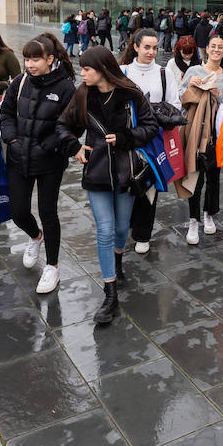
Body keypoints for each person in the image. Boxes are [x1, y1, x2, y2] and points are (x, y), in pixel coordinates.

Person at [56, 47, 161, 324]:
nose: (83, 74)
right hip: (98, 172)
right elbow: (63, 126)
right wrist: (75, 148)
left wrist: (126, 136)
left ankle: (117, 262)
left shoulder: (131, 94)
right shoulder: (82, 94)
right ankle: (110, 293)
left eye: (87, 69)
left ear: (102, 68)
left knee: (121, 228)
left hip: (127, 173)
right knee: (104, 230)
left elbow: (151, 127)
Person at [0, 34, 75, 295]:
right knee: (17, 211)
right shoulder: (19, 82)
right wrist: (12, 138)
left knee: (48, 212)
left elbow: (70, 126)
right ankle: (35, 236)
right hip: (19, 156)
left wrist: (48, 145)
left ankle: (52, 266)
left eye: (36, 59)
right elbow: (6, 113)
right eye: (27, 59)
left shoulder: (65, 88)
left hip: (50, 160)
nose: (30, 64)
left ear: (50, 59)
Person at [120, 28, 182, 253]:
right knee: (127, 182)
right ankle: (128, 223)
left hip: (153, 140)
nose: (151, 52)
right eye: (147, 47)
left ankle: (142, 233)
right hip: (126, 138)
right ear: (135, 47)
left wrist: (158, 113)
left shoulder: (164, 73)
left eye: (155, 47)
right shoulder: (122, 71)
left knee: (149, 186)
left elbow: (174, 104)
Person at [178, 34, 223, 245]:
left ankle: (209, 213)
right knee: (195, 176)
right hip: (195, 130)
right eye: (213, 46)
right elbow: (180, 94)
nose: (216, 50)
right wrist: (191, 85)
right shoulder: (194, 70)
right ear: (207, 49)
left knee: (213, 177)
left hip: (216, 134)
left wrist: (217, 94)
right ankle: (193, 219)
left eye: (220, 47)